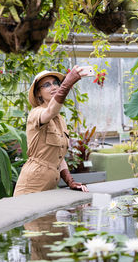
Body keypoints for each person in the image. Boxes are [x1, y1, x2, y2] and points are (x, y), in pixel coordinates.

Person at [13, 66, 89, 196]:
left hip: (49, 188)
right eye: (47, 85)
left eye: (56, 83)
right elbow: (50, 111)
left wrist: (70, 181)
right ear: (38, 93)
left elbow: (58, 156)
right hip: (31, 187)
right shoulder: (36, 113)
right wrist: (67, 84)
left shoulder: (60, 120)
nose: (53, 87)